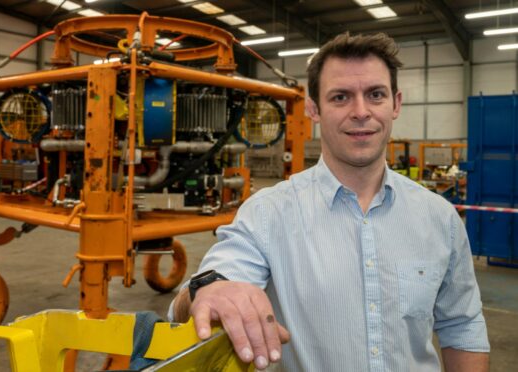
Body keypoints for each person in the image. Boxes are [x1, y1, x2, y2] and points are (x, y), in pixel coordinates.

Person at [169, 32, 490, 371]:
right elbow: (206, 287)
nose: (361, 112)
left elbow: (462, 326)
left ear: (395, 103)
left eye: (375, 94)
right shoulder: (269, 213)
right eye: (340, 97)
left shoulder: (439, 217)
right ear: (313, 109)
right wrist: (208, 291)